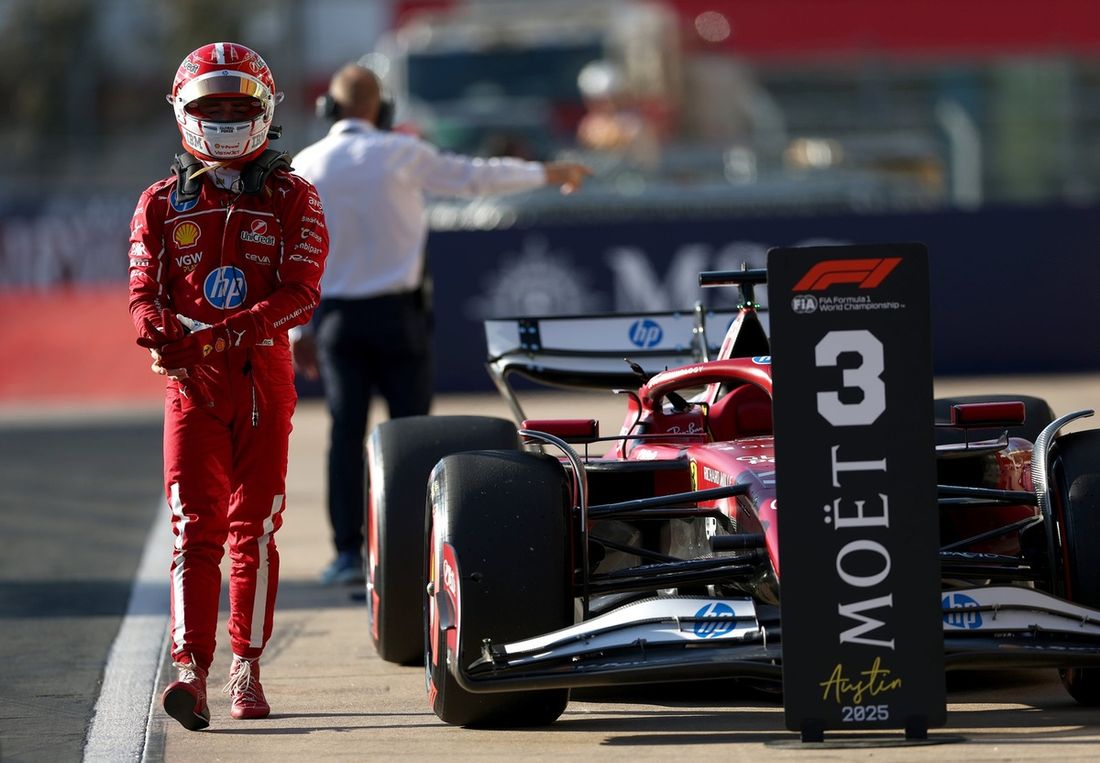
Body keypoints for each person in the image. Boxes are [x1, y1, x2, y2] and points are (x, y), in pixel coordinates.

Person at [291, 63, 590, 585]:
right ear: (382, 108)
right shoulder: (401, 152)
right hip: (399, 316)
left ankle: (347, 555)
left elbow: (292, 252)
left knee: (345, 433)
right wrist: (548, 172)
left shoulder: (306, 164)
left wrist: (298, 330)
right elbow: (476, 176)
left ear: (329, 109)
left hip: (336, 319)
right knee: (415, 438)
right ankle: (413, 554)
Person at [128, 42, 328, 730]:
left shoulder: (295, 195)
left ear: (266, 111)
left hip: (262, 378)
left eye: (237, 107)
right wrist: (158, 334)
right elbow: (142, 294)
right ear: (182, 111)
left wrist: (216, 335)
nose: (223, 120)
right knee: (194, 527)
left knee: (256, 528)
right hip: (192, 385)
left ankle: (247, 664)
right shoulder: (160, 201)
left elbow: (301, 294)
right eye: (210, 107)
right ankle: (191, 671)